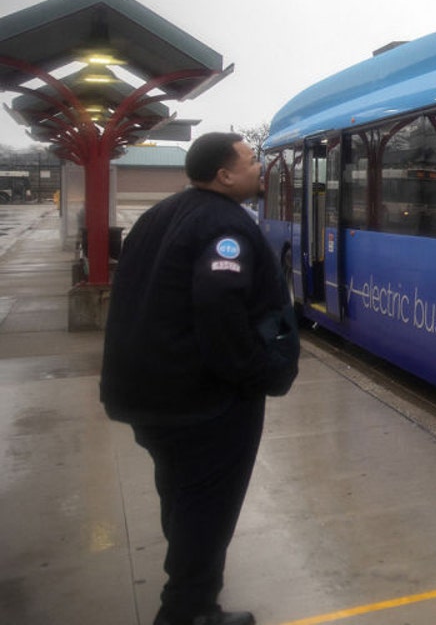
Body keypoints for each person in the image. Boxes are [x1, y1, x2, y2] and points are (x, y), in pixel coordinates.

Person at [100, 132, 299, 625]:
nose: (259, 167)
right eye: (250, 160)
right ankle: (187, 611)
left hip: (146, 396)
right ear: (224, 175)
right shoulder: (225, 226)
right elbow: (219, 309)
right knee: (207, 508)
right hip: (203, 402)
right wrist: (258, 374)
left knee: (181, 496)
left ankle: (190, 593)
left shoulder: (159, 216)